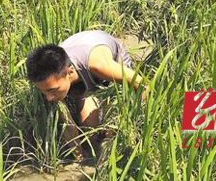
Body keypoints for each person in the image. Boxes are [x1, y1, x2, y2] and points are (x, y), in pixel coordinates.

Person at [25, 30, 145, 160]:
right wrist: (79, 158)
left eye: (52, 90)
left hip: (110, 64)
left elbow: (142, 85)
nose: (48, 97)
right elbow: (67, 123)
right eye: (43, 91)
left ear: (69, 72)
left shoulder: (99, 65)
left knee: (109, 127)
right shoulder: (49, 83)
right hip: (81, 66)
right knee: (89, 127)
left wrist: (138, 121)